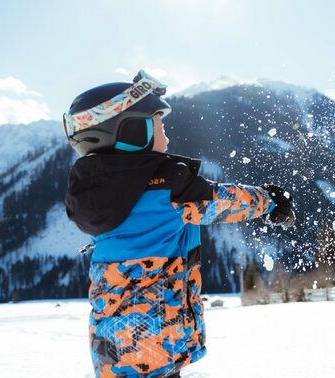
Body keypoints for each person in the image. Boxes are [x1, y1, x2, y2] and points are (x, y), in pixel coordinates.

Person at [63, 70, 295, 378]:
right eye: (159, 124)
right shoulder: (166, 187)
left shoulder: (95, 193)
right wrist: (270, 201)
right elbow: (222, 201)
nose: (167, 135)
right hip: (155, 339)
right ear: (132, 132)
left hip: (111, 344)